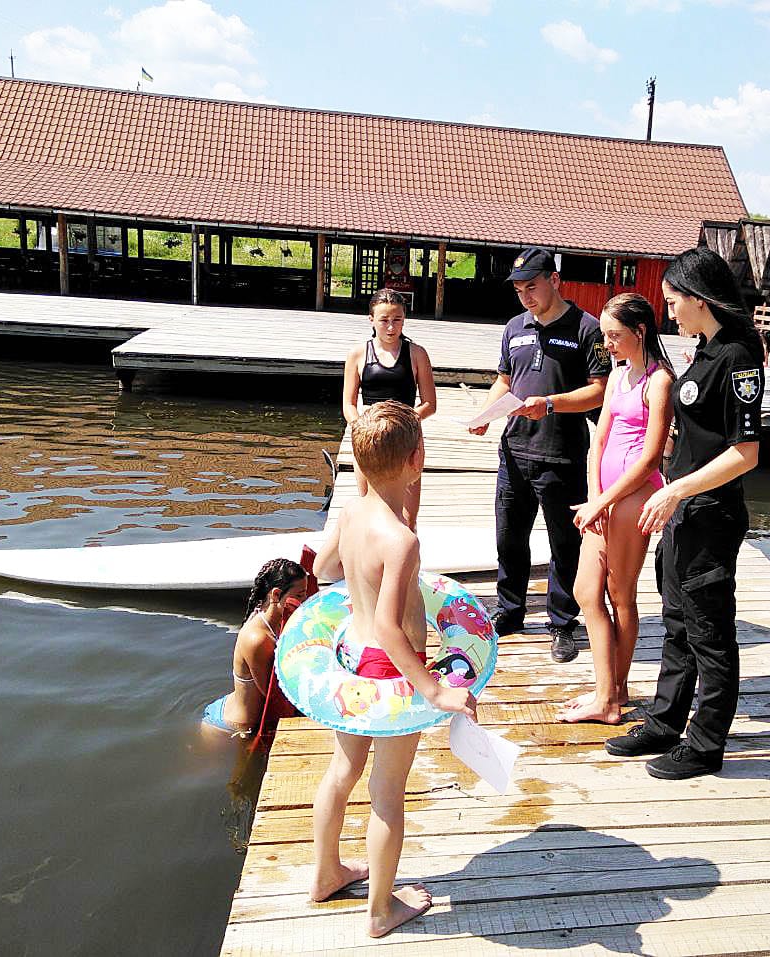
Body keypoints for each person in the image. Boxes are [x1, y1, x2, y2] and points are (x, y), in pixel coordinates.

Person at [309, 401, 477, 938]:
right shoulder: (402, 539)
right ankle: (381, 910)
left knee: (342, 771)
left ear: (357, 461)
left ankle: (326, 874)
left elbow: (323, 568)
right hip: (388, 670)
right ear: (417, 460)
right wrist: (434, 690)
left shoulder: (354, 511)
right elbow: (389, 627)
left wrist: (363, 577)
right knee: (387, 791)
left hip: (352, 661)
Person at [604, 247, 763, 781]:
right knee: (676, 621)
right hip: (683, 510)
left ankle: (706, 742)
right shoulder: (705, 349)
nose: (668, 311)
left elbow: (746, 452)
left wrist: (677, 490)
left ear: (699, 298)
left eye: (673, 301)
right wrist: (677, 451)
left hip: (709, 514)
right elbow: (709, 432)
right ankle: (668, 719)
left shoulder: (738, 356)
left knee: (709, 630)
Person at [469, 247, 610, 662]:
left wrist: (550, 403)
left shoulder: (587, 328)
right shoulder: (514, 327)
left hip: (561, 455)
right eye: (519, 290)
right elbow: (504, 380)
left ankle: (563, 622)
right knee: (509, 538)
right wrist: (485, 413)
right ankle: (510, 612)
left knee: (564, 543)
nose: (526, 296)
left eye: (533, 286)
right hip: (514, 451)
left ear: (555, 280)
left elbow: (599, 390)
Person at [560, 294, 675, 724]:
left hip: (633, 500)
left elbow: (650, 459)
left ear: (639, 332)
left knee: (619, 595)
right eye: (605, 335)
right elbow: (600, 439)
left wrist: (605, 502)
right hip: (603, 500)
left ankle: (612, 696)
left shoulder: (658, 381)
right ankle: (609, 689)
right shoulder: (617, 375)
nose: (606, 343)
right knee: (586, 592)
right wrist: (594, 495)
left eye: (614, 335)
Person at [343, 288, 437, 527]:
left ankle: (408, 557)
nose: (391, 327)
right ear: (372, 320)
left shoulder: (417, 353)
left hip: (407, 436)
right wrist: (363, 427)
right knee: (369, 509)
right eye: (384, 320)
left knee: (408, 517)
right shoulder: (358, 354)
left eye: (398, 320)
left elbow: (430, 404)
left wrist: (402, 421)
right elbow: (348, 404)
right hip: (369, 436)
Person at [202, 558, 308, 737]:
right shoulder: (257, 639)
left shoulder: (272, 617)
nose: (303, 602)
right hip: (235, 725)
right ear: (275, 595)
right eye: (299, 595)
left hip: (238, 706)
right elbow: (273, 697)